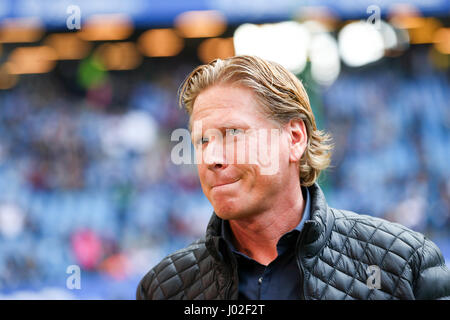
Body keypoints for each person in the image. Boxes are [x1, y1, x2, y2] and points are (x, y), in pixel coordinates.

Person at [136, 55, 450, 300]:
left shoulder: (403, 265)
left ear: (295, 138)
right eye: (202, 141)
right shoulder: (163, 288)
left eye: (233, 133)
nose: (212, 158)